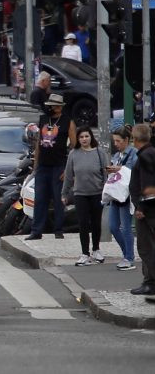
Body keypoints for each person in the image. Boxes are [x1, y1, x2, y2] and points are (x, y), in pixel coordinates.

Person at [26, 94, 77, 240]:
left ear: (59, 107)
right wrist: (35, 165)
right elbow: (38, 143)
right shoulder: (43, 120)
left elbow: (74, 146)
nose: (50, 108)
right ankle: (36, 230)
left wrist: (69, 169)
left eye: (53, 106)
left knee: (58, 198)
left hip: (59, 166)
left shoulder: (68, 122)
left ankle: (58, 230)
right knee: (40, 198)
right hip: (43, 166)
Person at [61, 127, 109, 266]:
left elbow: (106, 174)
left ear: (91, 137)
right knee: (83, 223)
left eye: (86, 136)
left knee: (96, 223)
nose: (84, 139)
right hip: (80, 194)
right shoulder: (73, 154)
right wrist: (64, 193)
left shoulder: (100, 153)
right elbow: (68, 175)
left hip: (97, 193)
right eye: (81, 137)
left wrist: (106, 192)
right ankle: (84, 253)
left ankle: (96, 249)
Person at [129, 124, 155, 297]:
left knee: (146, 246)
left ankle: (150, 282)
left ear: (135, 139)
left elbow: (148, 186)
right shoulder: (150, 153)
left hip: (148, 210)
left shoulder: (146, 156)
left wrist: (141, 207)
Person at [108, 126, 138, 271]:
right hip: (116, 193)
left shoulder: (133, 153)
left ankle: (129, 257)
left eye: (118, 141)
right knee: (113, 226)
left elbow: (134, 170)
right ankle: (126, 253)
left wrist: (119, 169)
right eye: (114, 141)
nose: (116, 144)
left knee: (126, 227)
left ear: (126, 140)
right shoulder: (116, 155)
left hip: (126, 194)